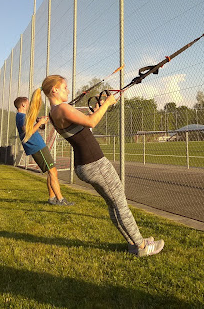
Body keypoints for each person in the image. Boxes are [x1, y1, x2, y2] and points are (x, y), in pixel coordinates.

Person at [23, 76, 164, 257]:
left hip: (85, 165)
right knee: (120, 204)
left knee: (113, 204)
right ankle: (142, 246)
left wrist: (99, 110)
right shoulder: (63, 108)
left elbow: (84, 127)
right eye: (64, 87)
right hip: (95, 163)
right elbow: (91, 122)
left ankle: (133, 242)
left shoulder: (53, 113)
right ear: (54, 91)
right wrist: (107, 103)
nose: (68, 90)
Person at [14, 96, 74, 206]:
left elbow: (33, 127)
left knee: (51, 171)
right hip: (37, 147)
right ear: (23, 105)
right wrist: (39, 121)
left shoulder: (22, 116)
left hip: (38, 146)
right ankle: (60, 200)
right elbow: (28, 132)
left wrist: (39, 121)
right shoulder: (21, 116)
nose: (30, 105)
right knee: (52, 171)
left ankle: (52, 198)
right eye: (28, 103)